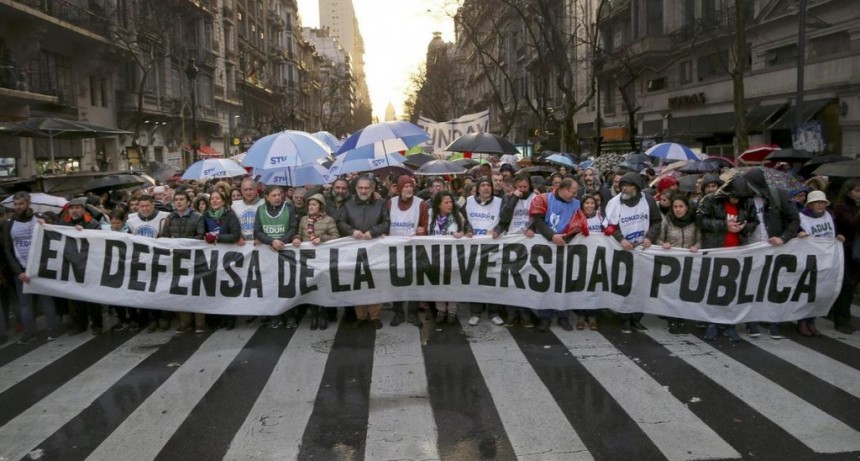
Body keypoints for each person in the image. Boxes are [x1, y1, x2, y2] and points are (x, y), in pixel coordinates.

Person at [697, 176, 759, 341]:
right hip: (716, 250)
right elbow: (701, 220)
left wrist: (744, 227)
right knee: (713, 288)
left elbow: (754, 221)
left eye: (739, 198)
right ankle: (712, 322)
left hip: (737, 252)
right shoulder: (710, 200)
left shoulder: (747, 202)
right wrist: (725, 225)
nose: (736, 200)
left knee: (732, 290)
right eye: (733, 197)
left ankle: (729, 324)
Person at [743, 168, 800, 339]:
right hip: (751, 248)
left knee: (772, 285)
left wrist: (783, 238)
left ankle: (772, 321)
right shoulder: (744, 199)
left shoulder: (778, 196)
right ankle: (751, 321)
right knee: (751, 285)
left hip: (774, 250)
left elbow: (794, 219)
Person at [603, 171, 660, 333]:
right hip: (623, 251)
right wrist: (621, 239)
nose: (624, 189)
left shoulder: (648, 201)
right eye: (622, 186)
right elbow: (609, 226)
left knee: (641, 286)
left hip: (642, 251)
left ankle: (637, 318)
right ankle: (625, 318)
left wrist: (649, 237)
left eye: (628, 186)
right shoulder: (614, 203)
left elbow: (656, 221)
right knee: (624, 285)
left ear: (636, 187)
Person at [2, 192, 60, 343]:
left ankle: (53, 330)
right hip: (21, 270)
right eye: (16, 204)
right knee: (24, 304)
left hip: (40, 268)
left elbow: (53, 237)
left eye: (21, 204)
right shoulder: (8, 224)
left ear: (28, 203)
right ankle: (29, 332)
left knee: (46, 300)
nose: (18, 207)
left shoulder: (39, 219)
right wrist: (18, 272)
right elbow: (7, 249)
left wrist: (46, 224)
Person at [643, 193, 701, 334]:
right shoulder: (667, 221)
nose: (678, 209)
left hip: (689, 262)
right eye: (675, 207)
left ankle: (682, 319)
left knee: (685, 292)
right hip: (671, 263)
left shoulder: (694, 221)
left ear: (686, 207)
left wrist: (696, 246)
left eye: (681, 206)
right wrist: (663, 244)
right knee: (672, 292)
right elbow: (659, 239)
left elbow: (699, 239)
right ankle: (672, 320)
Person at [337, 175, 390, 329]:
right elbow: (340, 222)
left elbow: (386, 222)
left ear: (372, 189)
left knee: (376, 281)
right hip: (355, 250)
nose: (363, 190)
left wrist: (373, 232)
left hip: (375, 249)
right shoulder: (348, 204)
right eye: (360, 187)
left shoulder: (381, 203)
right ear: (356, 189)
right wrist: (352, 231)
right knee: (357, 282)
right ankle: (360, 315)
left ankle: (375, 316)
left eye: (366, 188)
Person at [529, 178, 581, 331]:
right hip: (545, 248)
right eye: (573, 192)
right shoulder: (543, 199)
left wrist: (566, 238)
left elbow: (578, 225)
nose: (575, 195)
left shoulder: (576, 204)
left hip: (565, 248)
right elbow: (538, 221)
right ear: (564, 190)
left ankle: (563, 316)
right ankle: (544, 317)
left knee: (564, 284)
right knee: (545, 284)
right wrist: (552, 236)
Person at [797, 190, 844, 336]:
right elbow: (795, 232)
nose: (820, 205)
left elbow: (833, 232)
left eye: (822, 202)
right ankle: (802, 321)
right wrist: (799, 234)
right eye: (817, 202)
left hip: (825, 260)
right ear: (810, 205)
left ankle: (812, 320)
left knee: (819, 291)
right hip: (809, 260)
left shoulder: (829, 216)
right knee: (807, 291)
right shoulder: (801, 217)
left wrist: (839, 237)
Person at [57, 197, 104, 335]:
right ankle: (79, 325)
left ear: (83, 210)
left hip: (89, 265)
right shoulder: (63, 223)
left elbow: (99, 241)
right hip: (71, 265)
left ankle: (97, 325)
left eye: (77, 208)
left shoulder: (93, 223)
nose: (74, 211)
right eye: (72, 208)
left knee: (92, 297)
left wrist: (84, 232)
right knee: (74, 298)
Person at [292, 194, 340, 330]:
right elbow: (299, 233)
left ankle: (323, 313)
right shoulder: (303, 219)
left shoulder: (329, 220)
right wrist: (296, 238)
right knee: (310, 285)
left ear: (321, 206)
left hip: (323, 258)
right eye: (310, 204)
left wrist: (322, 238)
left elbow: (336, 236)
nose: (311, 207)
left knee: (323, 285)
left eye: (314, 205)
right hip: (307, 259)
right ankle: (314, 313)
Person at [161, 191, 206, 333]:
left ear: (188, 202)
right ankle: (185, 322)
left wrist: (182, 242)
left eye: (181, 199)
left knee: (196, 290)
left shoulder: (197, 217)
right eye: (176, 200)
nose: (179, 202)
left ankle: (199, 322)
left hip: (194, 258)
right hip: (176, 258)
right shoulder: (170, 217)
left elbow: (201, 236)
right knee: (179, 290)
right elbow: (164, 237)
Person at [386, 175, 428, 327]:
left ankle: (412, 313)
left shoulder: (421, 204)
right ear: (399, 188)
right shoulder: (390, 203)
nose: (409, 189)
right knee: (396, 281)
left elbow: (425, 226)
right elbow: (385, 222)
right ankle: (398, 312)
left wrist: (422, 231)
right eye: (406, 187)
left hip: (413, 249)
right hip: (394, 250)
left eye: (411, 186)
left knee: (414, 281)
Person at [254, 185, 299, 328]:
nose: (277, 197)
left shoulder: (289, 207)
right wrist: (271, 241)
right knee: (271, 285)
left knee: (286, 285)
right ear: (267, 197)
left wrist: (282, 241)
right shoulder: (261, 210)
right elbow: (257, 231)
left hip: (285, 252)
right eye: (273, 195)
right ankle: (275, 315)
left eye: (279, 194)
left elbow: (293, 227)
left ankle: (290, 315)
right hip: (268, 253)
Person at [463, 177, 505, 326]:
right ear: (478, 188)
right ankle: (475, 312)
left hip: (492, 247)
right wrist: (467, 229)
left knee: (493, 280)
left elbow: (504, 220)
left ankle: (494, 312)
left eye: (488, 185)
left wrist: (498, 230)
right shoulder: (468, 201)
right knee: (475, 279)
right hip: (474, 247)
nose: (486, 188)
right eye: (483, 185)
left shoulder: (500, 202)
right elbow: (461, 218)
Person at [127, 194, 171, 332]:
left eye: (147, 206)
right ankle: (152, 319)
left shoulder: (164, 217)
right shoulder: (132, 220)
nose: (145, 209)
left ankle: (164, 317)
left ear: (152, 205)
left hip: (160, 259)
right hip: (142, 261)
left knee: (162, 290)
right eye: (142, 206)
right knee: (148, 291)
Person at [499, 174, 537, 328]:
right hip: (512, 242)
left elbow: (540, 217)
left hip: (528, 243)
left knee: (525, 280)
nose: (522, 190)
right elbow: (504, 217)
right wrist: (514, 198)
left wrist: (532, 227)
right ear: (515, 187)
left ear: (529, 186)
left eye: (525, 187)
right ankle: (511, 313)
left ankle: (525, 313)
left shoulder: (536, 198)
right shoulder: (508, 197)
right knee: (511, 280)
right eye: (519, 187)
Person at [202, 189, 243, 330]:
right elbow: (201, 233)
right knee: (215, 287)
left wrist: (218, 238)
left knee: (227, 287)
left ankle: (230, 318)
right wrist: (205, 237)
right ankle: (218, 318)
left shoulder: (229, 214)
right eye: (212, 198)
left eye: (217, 198)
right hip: (212, 257)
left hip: (227, 256)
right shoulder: (206, 216)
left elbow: (235, 235)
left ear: (224, 201)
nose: (214, 201)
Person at [428, 191, 469, 325]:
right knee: (437, 284)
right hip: (435, 256)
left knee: (452, 283)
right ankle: (441, 310)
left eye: (451, 202)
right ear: (438, 205)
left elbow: (467, 230)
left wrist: (462, 233)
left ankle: (452, 310)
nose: (450, 205)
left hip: (453, 257)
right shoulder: (430, 215)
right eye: (446, 202)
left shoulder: (458, 216)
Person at [831, 178, 860, 334]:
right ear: (848, 192)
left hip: (856, 251)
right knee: (846, 286)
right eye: (857, 191)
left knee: (851, 286)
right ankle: (841, 319)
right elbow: (852, 224)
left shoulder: (855, 206)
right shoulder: (841, 207)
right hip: (845, 251)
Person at [571, 194, 604, 330]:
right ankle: (580, 315)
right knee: (581, 285)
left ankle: (592, 315)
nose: (590, 205)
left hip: (597, 257)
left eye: (592, 203)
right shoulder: (577, 217)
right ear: (582, 205)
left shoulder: (600, 217)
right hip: (581, 258)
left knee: (594, 286)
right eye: (587, 203)